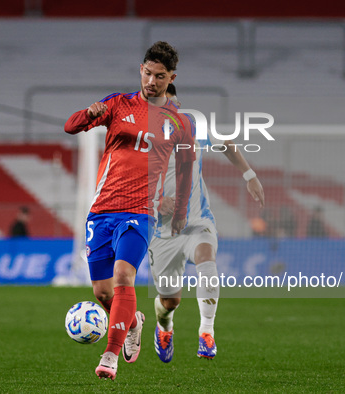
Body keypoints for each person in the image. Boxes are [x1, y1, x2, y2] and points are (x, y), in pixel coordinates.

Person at [64, 42, 195, 380]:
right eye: (148, 73)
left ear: (171, 78)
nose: (152, 81)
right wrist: (88, 115)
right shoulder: (118, 103)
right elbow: (71, 126)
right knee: (102, 292)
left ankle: (110, 356)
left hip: (140, 212)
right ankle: (133, 320)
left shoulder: (178, 122)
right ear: (141, 70)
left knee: (124, 277)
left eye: (160, 76)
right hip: (102, 209)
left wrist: (179, 209)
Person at [149, 84, 265, 362]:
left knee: (207, 261)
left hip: (197, 222)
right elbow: (127, 182)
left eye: (174, 103)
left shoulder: (192, 127)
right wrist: (156, 203)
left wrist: (249, 175)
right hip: (160, 232)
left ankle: (207, 333)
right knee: (169, 301)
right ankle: (164, 327)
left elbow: (226, 145)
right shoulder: (144, 138)